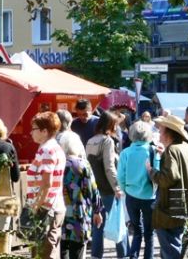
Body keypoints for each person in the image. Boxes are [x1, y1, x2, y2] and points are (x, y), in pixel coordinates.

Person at [146, 115, 188, 258]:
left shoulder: (172, 150)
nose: (159, 134)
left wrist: (151, 172)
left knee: (170, 249)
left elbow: (168, 178)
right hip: (182, 204)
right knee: (173, 244)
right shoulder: (184, 147)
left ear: (169, 133)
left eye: (161, 130)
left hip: (169, 208)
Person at [86, 110, 130, 259]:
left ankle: (96, 255)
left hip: (95, 188)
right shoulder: (107, 141)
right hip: (108, 189)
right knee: (119, 223)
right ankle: (124, 255)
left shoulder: (91, 141)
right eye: (115, 124)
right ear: (110, 124)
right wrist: (117, 187)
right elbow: (109, 167)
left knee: (97, 224)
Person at [117, 120, 159, 259]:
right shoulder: (153, 150)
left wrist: (125, 190)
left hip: (131, 196)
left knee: (136, 231)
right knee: (149, 233)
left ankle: (133, 256)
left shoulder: (125, 153)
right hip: (149, 197)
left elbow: (120, 176)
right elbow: (157, 173)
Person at [58, 131, 103, 259]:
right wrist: (97, 210)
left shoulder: (59, 163)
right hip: (79, 214)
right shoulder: (83, 164)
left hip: (61, 213)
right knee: (77, 251)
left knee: (62, 250)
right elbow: (92, 189)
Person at [27, 111, 66, 258]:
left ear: (44, 131)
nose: (31, 132)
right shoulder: (54, 148)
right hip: (54, 207)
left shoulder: (46, 150)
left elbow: (46, 184)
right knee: (50, 252)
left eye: (34, 129)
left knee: (42, 253)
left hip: (46, 209)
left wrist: (36, 206)